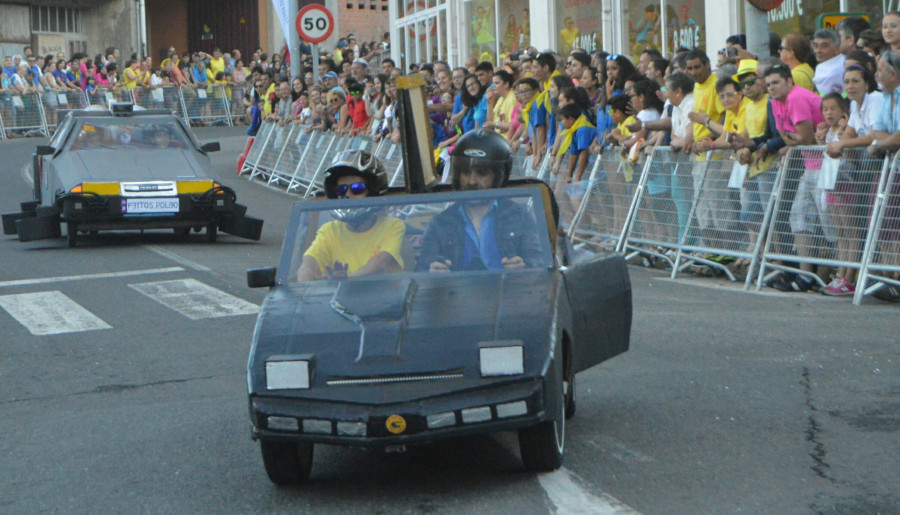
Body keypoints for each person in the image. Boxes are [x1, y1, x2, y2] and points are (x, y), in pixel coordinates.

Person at [416, 129, 544, 272]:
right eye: (465, 172)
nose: (472, 181)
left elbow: (541, 261)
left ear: (499, 175)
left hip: (509, 292)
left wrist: (524, 266)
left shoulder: (521, 216)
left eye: (482, 173)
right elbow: (420, 272)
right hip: (456, 293)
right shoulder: (440, 223)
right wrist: (432, 271)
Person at [297, 150, 404, 281]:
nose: (347, 194)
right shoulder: (329, 231)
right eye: (341, 189)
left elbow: (380, 262)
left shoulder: (392, 226)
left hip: (384, 298)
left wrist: (345, 281)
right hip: (336, 299)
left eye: (357, 188)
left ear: (372, 192)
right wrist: (303, 285)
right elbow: (308, 264)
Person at [812, 29, 846, 96]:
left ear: (837, 49)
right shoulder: (821, 66)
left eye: (824, 46)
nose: (818, 50)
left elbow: (844, 95)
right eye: (816, 46)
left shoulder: (839, 68)